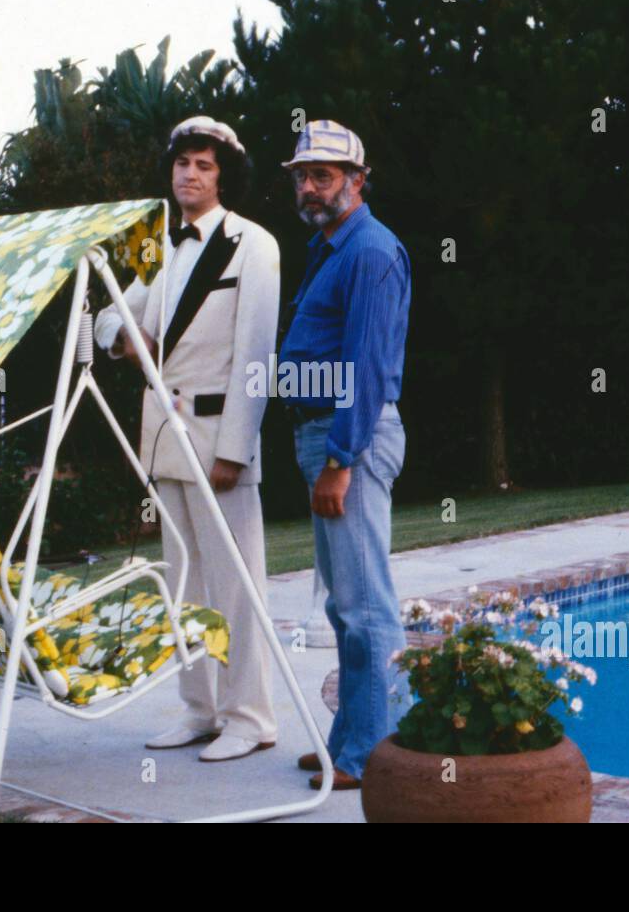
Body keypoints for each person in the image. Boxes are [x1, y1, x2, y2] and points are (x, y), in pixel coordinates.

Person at [94, 116, 281, 762]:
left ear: (223, 174)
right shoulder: (160, 246)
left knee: (234, 583)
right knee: (182, 584)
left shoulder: (252, 244)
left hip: (217, 439)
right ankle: (199, 708)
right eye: (182, 164)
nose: (190, 174)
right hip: (164, 439)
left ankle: (249, 715)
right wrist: (123, 335)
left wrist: (235, 448)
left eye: (204, 164)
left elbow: (256, 355)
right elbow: (113, 311)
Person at [277, 120, 411, 790]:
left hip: (346, 437)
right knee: (343, 605)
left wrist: (339, 457)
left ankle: (377, 753)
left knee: (366, 605)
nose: (308, 185)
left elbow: (365, 362)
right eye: (301, 174)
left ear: (357, 181)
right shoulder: (330, 247)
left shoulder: (369, 251)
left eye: (322, 174)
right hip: (324, 434)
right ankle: (351, 739)